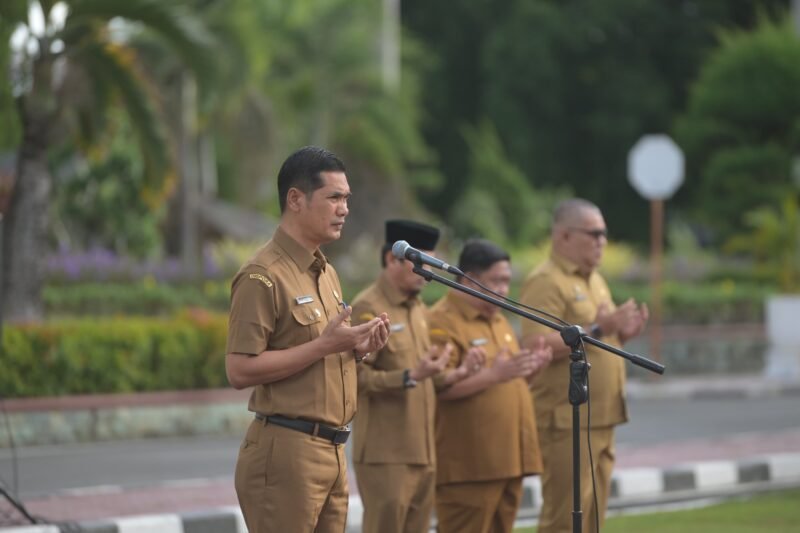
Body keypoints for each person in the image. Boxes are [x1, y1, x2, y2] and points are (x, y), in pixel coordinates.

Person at [224, 146, 391, 533]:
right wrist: (325, 346)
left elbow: (321, 352)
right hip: (286, 452)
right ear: (295, 199)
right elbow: (239, 369)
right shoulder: (261, 275)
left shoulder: (325, 272)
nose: (344, 209)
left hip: (332, 452)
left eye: (346, 198)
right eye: (334, 197)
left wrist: (356, 350)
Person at [519, 198, 649, 533]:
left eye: (604, 234)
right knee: (565, 518)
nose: (602, 241)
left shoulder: (594, 280)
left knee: (592, 519)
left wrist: (622, 334)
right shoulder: (546, 281)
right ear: (563, 237)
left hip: (602, 417)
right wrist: (601, 329)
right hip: (566, 420)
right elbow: (535, 345)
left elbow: (594, 339)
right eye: (593, 233)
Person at [351, 220, 479, 533]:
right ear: (391, 259)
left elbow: (424, 376)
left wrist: (455, 373)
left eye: (431, 263)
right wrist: (410, 375)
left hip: (423, 450)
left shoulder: (419, 308)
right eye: (421, 263)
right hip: (386, 455)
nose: (427, 272)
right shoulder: (369, 307)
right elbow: (354, 379)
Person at [427, 239, 552, 533]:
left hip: (510, 461)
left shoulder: (498, 321)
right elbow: (438, 388)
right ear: (467, 278)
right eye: (496, 281)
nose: (504, 290)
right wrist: (495, 375)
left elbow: (508, 381)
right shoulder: (440, 321)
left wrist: (530, 370)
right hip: (470, 467)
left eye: (507, 281)